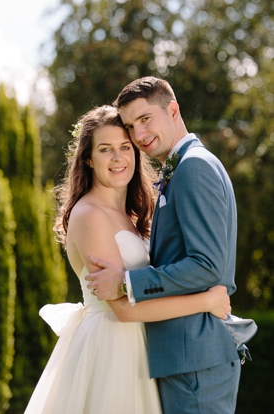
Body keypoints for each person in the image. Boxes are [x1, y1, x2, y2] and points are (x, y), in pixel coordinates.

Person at [24, 105, 231, 414]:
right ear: (88, 159)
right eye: (105, 149)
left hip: (143, 346)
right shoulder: (90, 214)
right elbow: (122, 309)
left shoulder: (131, 215)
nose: (118, 157)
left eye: (125, 147)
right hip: (112, 348)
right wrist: (207, 302)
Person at [86, 77, 241, 413]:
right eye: (130, 126)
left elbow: (207, 265)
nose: (139, 135)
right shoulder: (185, 166)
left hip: (194, 359)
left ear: (172, 110)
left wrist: (128, 283)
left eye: (145, 119)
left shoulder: (193, 167)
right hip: (186, 357)